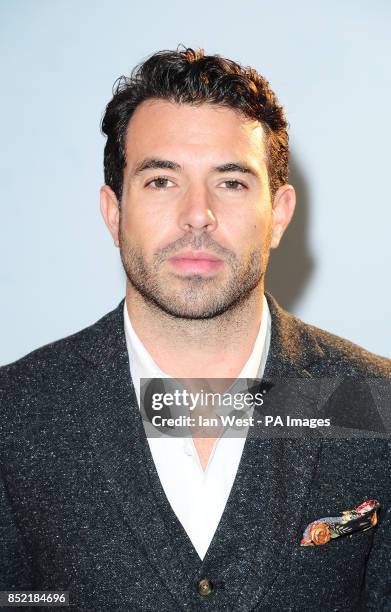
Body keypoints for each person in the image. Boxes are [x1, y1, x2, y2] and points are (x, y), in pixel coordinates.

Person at [0, 46, 390, 612]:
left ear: (278, 214)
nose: (197, 214)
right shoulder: (15, 412)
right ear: (114, 212)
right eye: (161, 181)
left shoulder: (376, 402)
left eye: (231, 182)